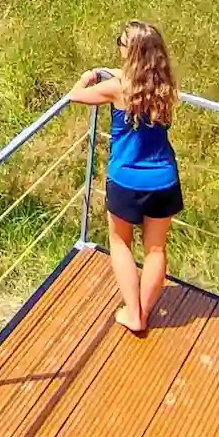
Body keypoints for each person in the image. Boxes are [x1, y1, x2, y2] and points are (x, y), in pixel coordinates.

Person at [68, 21, 183, 336]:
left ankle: (134, 313)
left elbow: (76, 96)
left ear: (130, 52)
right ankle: (144, 310)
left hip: (126, 180)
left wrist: (87, 77)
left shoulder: (116, 89)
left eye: (120, 43)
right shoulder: (166, 87)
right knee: (156, 249)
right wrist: (113, 72)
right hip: (163, 179)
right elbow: (139, 80)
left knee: (120, 243)